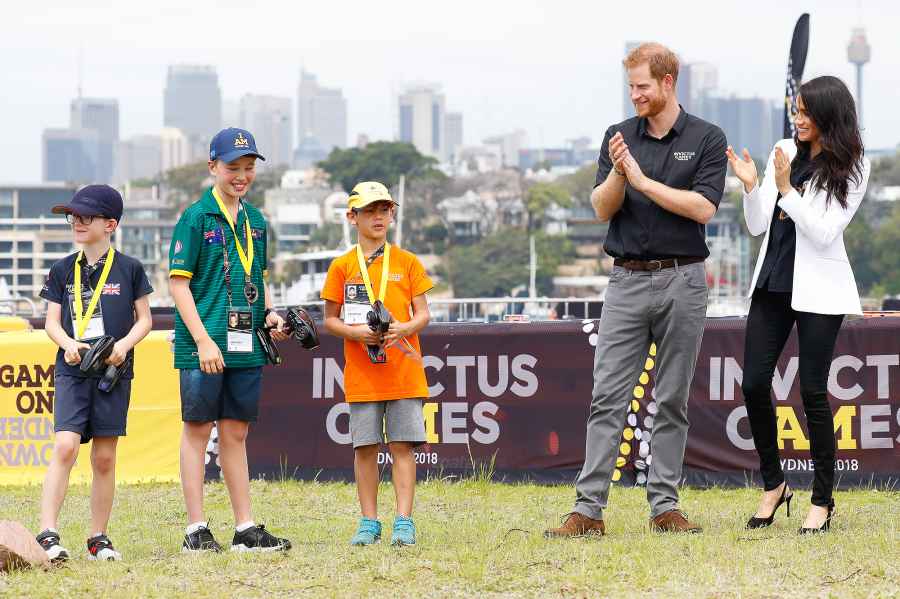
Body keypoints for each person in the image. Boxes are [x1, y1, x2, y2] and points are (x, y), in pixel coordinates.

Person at [544, 42, 727, 538]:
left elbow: (703, 208)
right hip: (625, 279)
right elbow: (602, 208)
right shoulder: (618, 137)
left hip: (683, 278)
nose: (635, 96)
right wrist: (622, 175)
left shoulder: (708, 138)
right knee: (608, 397)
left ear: (669, 83)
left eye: (643, 86)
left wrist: (644, 181)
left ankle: (664, 506)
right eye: (630, 87)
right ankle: (588, 511)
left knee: (671, 399)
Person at [726, 75, 870, 534]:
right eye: (796, 110)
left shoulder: (853, 164)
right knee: (752, 384)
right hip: (773, 282)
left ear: (829, 115)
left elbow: (825, 231)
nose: (798, 118)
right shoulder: (783, 149)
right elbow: (756, 226)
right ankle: (774, 484)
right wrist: (752, 188)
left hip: (819, 290)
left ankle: (823, 500)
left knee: (812, 392)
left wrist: (788, 190)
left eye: (807, 112)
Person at [168, 128, 291, 552]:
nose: (241, 176)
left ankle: (245, 528)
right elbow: (178, 286)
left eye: (248, 168)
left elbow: (258, 279)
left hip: (246, 343)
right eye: (232, 167)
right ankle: (195, 530)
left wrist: (271, 314)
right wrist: (203, 340)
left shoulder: (257, 221)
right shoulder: (195, 217)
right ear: (213, 167)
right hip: (203, 345)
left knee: (236, 434)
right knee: (198, 431)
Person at [36, 185, 153, 561]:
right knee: (65, 446)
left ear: (110, 224)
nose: (77, 223)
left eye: (86, 217)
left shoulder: (130, 268)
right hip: (72, 369)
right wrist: (67, 343)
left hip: (112, 372)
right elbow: (51, 322)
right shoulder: (61, 269)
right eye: (73, 217)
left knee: (104, 457)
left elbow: (145, 320)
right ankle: (48, 533)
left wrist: (122, 347)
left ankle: (98, 537)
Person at [321, 181, 433, 546]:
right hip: (363, 374)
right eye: (370, 211)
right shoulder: (342, 266)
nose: (379, 217)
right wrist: (357, 335)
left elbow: (424, 315)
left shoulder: (407, 262)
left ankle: (404, 520)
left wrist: (402, 328)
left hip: (403, 372)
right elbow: (330, 319)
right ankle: (368, 521)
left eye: (384, 210)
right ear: (352, 217)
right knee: (364, 448)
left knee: (402, 446)